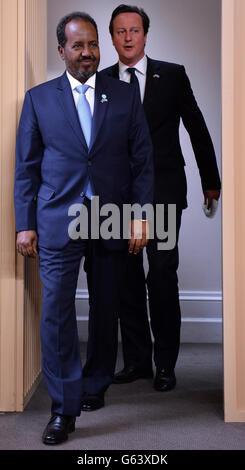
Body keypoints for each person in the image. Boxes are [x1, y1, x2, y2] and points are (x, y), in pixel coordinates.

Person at [14, 11, 153, 445]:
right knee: (56, 314)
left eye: (93, 44)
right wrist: (25, 224)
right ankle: (63, 408)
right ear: (62, 51)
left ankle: (95, 386)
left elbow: (143, 162)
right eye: (78, 45)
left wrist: (141, 215)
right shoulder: (38, 99)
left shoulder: (125, 95)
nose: (87, 52)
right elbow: (26, 169)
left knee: (105, 308)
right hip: (58, 220)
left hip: (109, 217)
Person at [101, 4, 221, 392]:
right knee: (127, 277)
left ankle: (165, 363)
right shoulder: (102, 82)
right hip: (118, 196)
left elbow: (196, 125)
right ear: (112, 37)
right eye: (120, 31)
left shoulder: (171, 75)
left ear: (145, 34)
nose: (128, 37)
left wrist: (210, 180)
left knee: (163, 275)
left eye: (134, 30)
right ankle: (137, 361)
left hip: (164, 192)